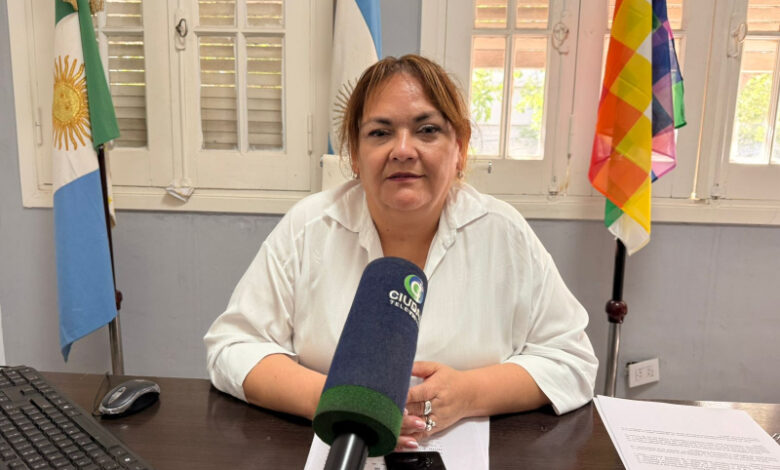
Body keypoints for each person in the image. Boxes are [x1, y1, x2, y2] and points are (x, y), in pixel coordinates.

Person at [204, 54, 598, 450]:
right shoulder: (308, 227)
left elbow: (572, 360)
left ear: (460, 148)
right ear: (354, 155)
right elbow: (233, 348)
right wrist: (339, 402)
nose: (403, 150)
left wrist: (470, 394)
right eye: (380, 133)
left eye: (427, 130)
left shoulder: (504, 232)